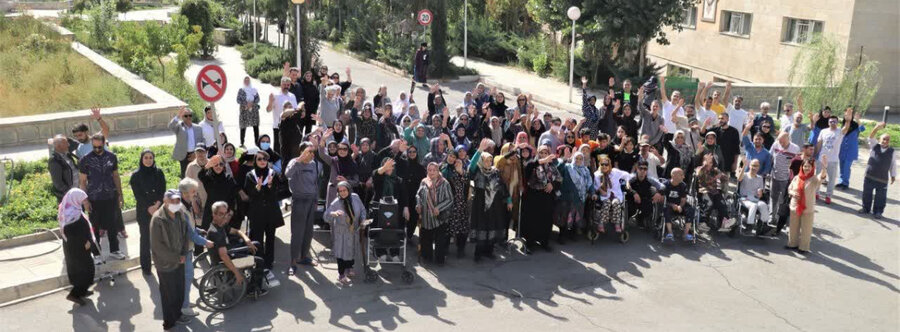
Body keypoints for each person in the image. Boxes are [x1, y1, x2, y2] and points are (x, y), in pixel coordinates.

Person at [79, 134, 126, 261]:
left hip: (110, 196)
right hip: (94, 198)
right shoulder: (85, 159)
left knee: (112, 225)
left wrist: (120, 195)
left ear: (104, 144)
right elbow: (82, 181)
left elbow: (116, 176)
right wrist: (85, 200)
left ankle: (114, 250)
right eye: (94, 147)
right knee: (94, 226)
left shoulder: (112, 157)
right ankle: (96, 253)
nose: (97, 149)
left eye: (99, 147)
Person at [150, 190, 191, 330]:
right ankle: (169, 322)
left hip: (180, 260)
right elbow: (157, 246)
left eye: (178, 200)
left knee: (179, 290)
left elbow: (185, 235)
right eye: (172, 200)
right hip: (166, 264)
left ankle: (178, 315)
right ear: (165, 201)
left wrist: (184, 253)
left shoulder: (180, 214)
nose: (175, 203)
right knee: (168, 294)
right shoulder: (158, 219)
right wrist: (176, 258)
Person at [467, 140, 511, 261]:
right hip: (480, 204)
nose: (488, 162)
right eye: (486, 160)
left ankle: (489, 251)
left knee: (492, 226)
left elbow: (502, 186)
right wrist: (479, 150)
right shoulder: (477, 171)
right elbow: (471, 167)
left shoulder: (495, 172)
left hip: (494, 204)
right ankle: (478, 253)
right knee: (481, 226)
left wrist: (509, 200)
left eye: (490, 160)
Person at [243, 150, 286, 270]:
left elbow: (276, 194)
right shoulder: (250, 175)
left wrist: (270, 186)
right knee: (257, 238)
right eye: (259, 159)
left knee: (270, 238)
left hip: (271, 212)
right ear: (255, 161)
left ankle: (269, 262)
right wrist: (257, 188)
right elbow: (249, 195)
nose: (262, 161)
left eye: (265, 159)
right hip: (256, 213)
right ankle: (258, 261)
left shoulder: (273, 174)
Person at [285, 141, 321, 275]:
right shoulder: (294, 162)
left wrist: (316, 199)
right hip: (299, 201)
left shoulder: (313, 164)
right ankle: (293, 262)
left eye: (312, 152)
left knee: (308, 232)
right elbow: (287, 174)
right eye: (308, 151)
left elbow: (315, 183)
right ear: (301, 152)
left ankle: (304, 257)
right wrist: (299, 159)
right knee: (297, 233)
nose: (312, 154)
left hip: (311, 201)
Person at [58, 188, 98, 306]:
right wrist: (85, 242)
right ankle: (74, 294)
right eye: (83, 200)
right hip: (77, 249)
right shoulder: (71, 216)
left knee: (85, 269)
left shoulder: (73, 210)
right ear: (75, 199)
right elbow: (74, 234)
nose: (85, 202)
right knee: (85, 270)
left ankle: (82, 291)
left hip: (79, 248)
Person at [129, 149, 166, 275]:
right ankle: (146, 267)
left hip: (158, 209)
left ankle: (161, 263)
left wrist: (156, 205)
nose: (148, 160)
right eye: (146, 158)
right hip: (143, 211)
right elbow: (138, 195)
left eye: (151, 157)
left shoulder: (159, 172)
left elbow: (162, 190)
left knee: (159, 238)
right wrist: (149, 207)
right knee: (145, 239)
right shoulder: (136, 176)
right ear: (141, 159)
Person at [206, 201, 258, 288]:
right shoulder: (216, 233)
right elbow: (224, 256)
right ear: (214, 215)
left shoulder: (220, 225)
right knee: (258, 260)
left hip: (230, 253)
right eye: (221, 214)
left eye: (225, 213)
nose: (224, 217)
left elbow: (237, 231)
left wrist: (247, 240)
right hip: (227, 261)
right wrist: (237, 273)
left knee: (255, 244)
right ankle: (252, 289)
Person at [521, 145, 561, 254]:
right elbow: (527, 170)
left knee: (546, 220)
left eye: (545, 153)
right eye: (541, 153)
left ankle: (544, 242)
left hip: (547, 197)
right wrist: (541, 161)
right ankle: (530, 243)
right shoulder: (532, 164)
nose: (543, 155)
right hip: (533, 197)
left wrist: (552, 185)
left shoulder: (552, 166)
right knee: (532, 220)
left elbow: (559, 179)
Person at [324, 181, 366, 284]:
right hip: (341, 232)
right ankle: (341, 274)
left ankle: (349, 267)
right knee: (341, 253)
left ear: (349, 190)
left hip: (353, 230)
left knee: (351, 250)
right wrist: (333, 213)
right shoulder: (336, 202)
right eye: (340, 191)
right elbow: (325, 216)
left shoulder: (355, 197)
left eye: (344, 190)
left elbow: (362, 210)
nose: (342, 193)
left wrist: (363, 220)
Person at [787, 156, 828, 254]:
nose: (806, 168)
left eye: (809, 166)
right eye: (805, 166)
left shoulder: (814, 179)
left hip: (807, 208)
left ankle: (803, 247)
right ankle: (792, 244)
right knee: (793, 227)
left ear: (812, 168)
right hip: (795, 207)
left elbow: (822, 176)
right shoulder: (797, 177)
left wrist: (824, 167)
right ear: (802, 167)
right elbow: (790, 189)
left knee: (806, 229)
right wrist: (793, 193)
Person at [416, 163, 454, 264]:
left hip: (439, 217)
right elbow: (418, 195)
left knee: (440, 240)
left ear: (438, 171)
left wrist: (439, 207)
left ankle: (439, 260)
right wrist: (418, 204)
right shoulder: (424, 181)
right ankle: (427, 258)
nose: (432, 172)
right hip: (426, 216)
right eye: (429, 170)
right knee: (426, 238)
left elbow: (450, 199)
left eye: (434, 170)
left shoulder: (444, 183)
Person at [371, 158, 408, 261]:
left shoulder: (399, 180)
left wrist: (406, 207)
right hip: (379, 208)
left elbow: (404, 195)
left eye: (390, 166)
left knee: (394, 231)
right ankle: (381, 252)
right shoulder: (379, 178)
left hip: (395, 210)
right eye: (385, 165)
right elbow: (375, 174)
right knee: (380, 230)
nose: (388, 168)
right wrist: (384, 167)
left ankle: (394, 252)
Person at [815, 109, 853, 204]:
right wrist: (815, 154)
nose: (832, 123)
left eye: (834, 121)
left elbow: (846, 128)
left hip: (833, 160)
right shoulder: (823, 131)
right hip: (821, 159)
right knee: (818, 177)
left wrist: (848, 120)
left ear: (837, 122)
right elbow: (819, 143)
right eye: (831, 121)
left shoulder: (840, 131)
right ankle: (816, 193)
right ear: (828, 123)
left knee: (831, 179)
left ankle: (828, 196)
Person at [859, 122, 896, 219]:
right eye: (884, 139)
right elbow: (871, 137)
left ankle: (878, 211)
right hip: (870, 176)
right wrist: (876, 128)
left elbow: (893, 164)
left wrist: (893, 176)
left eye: (887, 140)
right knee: (867, 193)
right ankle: (865, 208)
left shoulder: (892, 151)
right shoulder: (874, 146)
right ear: (880, 140)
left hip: (882, 179)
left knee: (881, 197)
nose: (885, 141)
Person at [441, 148, 472, 258]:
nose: (451, 158)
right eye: (450, 156)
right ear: (447, 156)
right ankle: (444, 248)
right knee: (447, 226)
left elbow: (466, 181)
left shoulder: (459, 168)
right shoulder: (442, 167)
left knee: (462, 226)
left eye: (454, 157)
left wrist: (461, 172)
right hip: (446, 202)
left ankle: (461, 249)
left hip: (459, 202)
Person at [768, 132, 801, 234]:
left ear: (788, 139)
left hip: (787, 179)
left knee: (785, 201)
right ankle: (772, 217)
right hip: (775, 176)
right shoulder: (776, 144)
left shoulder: (795, 148)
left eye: (783, 141)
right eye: (779, 141)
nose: (781, 143)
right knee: (773, 198)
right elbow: (770, 157)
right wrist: (769, 171)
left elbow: (797, 164)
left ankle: (786, 222)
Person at [557, 151, 593, 243]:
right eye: (576, 158)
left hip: (579, 198)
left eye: (580, 159)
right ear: (573, 158)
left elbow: (590, 183)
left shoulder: (586, 170)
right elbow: (558, 170)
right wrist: (564, 159)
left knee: (576, 216)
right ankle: (561, 235)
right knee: (564, 216)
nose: (578, 160)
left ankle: (572, 234)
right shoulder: (567, 167)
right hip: (567, 197)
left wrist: (592, 192)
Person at [592, 155, 632, 235]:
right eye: (602, 164)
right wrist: (600, 190)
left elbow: (627, 175)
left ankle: (617, 223)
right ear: (599, 165)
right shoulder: (597, 174)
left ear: (609, 165)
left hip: (616, 194)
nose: (604, 166)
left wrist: (627, 182)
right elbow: (595, 186)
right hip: (605, 195)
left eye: (606, 164)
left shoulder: (615, 172)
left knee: (616, 203)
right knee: (607, 203)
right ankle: (601, 223)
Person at [696, 153, 735, 230]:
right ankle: (703, 222)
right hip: (704, 191)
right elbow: (700, 176)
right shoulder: (700, 169)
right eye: (708, 162)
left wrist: (722, 176)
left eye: (711, 162)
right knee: (709, 204)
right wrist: (715, 177)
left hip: (715, 192)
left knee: (722, 204)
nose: (709, 164)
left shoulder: (714, 170)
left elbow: (726, 179)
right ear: (703, 161)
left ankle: (725, 222)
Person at [169, 106, 206, 177]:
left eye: (190, 115)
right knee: (185, 176)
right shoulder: (179, 127)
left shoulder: (198, 128)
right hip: (184, 156)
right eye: (186, 116)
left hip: (196, 154)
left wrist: (196, 153)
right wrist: (178, 116)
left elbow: (202, 141)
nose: (188, 117)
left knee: (198, 175)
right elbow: (171, 126)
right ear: (182, 117)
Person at [626, 161, 664, 230]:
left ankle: (644, 219)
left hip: (644, 199)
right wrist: (634, 193)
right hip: (632, 199)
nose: (642, 171)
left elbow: (662, 186)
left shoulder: (650, 179)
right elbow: (626, 184)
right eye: (640, 168)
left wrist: (659, 193)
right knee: (629, 205)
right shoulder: (632, 177)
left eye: (645, 169)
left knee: (651, 202)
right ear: (637, 169)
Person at [660, 168, 693, 241]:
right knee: (665, 209)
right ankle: (670, 233)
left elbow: (683, 199)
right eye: (681, 175)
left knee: (690, 209)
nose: (683, 177)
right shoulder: (665, 185)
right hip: (669, 205)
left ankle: (686, 233)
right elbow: (662, 200)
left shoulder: (683, 185)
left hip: (679, 205)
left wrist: (680, 206)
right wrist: (672, 205)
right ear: (673, 175)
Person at [737, 158, 770, 229]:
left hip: (755, 199)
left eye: (756, 166)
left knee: (764, 205)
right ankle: (749, 225)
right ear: (750, 166)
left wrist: (760, 193)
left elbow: (760, 194)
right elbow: (739, 179)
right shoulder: (745, 175)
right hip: (745, 198)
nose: (755, 168)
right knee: (753, 206)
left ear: (759, 167)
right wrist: (743, 166)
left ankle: (763, 225)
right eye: (753, 165)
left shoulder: (760, 178)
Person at [267, 77, 299, 152]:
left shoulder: (292, 96)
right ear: (281, 84)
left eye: (288, 85)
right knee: (278, 148)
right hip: (278, 126)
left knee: (288, 148)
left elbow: (295, 110)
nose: (286, 86)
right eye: (284, 85)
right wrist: (270, 102)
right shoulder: (275, 96)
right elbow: (268, 110)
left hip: (290, 126)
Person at [837, 111, 865, 189]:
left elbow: (862, 129)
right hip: (842, 149)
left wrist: (858, 120)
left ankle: (845, 183)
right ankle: (841, 181)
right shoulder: (843, 125)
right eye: (846, 115)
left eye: (849, 115)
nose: (847, 116)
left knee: (846, 167)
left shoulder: (855, 125)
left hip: (851, 150)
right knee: (842, 166)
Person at [49, 135, 79, 202]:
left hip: (76, 192)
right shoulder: (54, 160)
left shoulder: (66, 154)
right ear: (58, 146)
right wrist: (70, 194)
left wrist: (64, 138)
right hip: (69, 196)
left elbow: (76, 144)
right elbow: (58, 183)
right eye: (66, 143)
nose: (68, 144)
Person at [184, 144, 209, 217]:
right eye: (198, 152)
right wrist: (193, 202)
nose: (200, 154)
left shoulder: (212, 164)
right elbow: (188, 186)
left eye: (202, 151)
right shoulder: (191, 167)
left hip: (211, 200)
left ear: (206, 152)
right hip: (197, 201)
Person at [236, 76, 261, 147]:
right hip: (244, 110)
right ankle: (242, 142)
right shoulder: (241, 90)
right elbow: (238, 100)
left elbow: (258, 99)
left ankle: (257, 142)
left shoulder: (254, 90)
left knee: (255, 126)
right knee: (243, 126)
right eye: (245, 80)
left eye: (248, 80)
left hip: (253, 110)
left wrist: (252, 103)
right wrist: (246, 104)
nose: (247, 81)